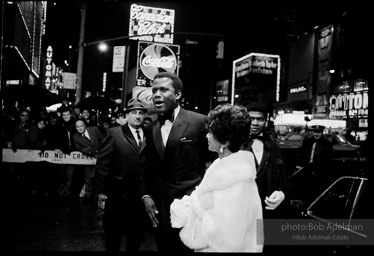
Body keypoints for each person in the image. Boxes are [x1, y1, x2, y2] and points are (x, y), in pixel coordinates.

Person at [170, 104, 263, 252]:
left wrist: (193, 205)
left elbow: (222, 230)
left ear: (224, 142)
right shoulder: (224, 165)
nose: (207, 136)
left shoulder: (235, 177)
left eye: (211, 133)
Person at [140, 71, 213, 253]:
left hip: (190, 206)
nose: (157, 94)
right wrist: (146, 196)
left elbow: (214, 163)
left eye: (163, 90)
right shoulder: (150, 128)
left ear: (178, 94)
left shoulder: (199, 122)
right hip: (160, 208)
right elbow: (146, 167)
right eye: (154, 90)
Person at [94, 98, 148, 252]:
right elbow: (103, 164)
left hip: (139, 196)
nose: (137, 116)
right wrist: (101, 192)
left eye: (140, 113)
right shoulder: (114, 133)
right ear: (126, 115)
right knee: (113, 236)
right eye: (133, 113)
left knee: (136, 235)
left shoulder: (148, 133)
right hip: (117, 194)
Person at [243, 102, 286, 218]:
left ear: (266, 120)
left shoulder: (274, 146)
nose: (255, 123)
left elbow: (281, 176)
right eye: (251, 119)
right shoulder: (234, 144)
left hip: (266, 209)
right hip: (241, 210)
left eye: (260, 119)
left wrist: (281, 192)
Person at [72, 119, 104, 202]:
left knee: (100, 178)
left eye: (81, 126)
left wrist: (100, 152)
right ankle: (88, 196)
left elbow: (103, 140)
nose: (80, 128)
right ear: (75, 128)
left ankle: (100, 196)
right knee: (89, 178)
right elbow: (80, 148)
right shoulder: (75, 137)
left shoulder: (94, 129)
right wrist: (90, 150)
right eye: (78, 127)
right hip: (89, 159)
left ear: (85, 125)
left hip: (101, 158)